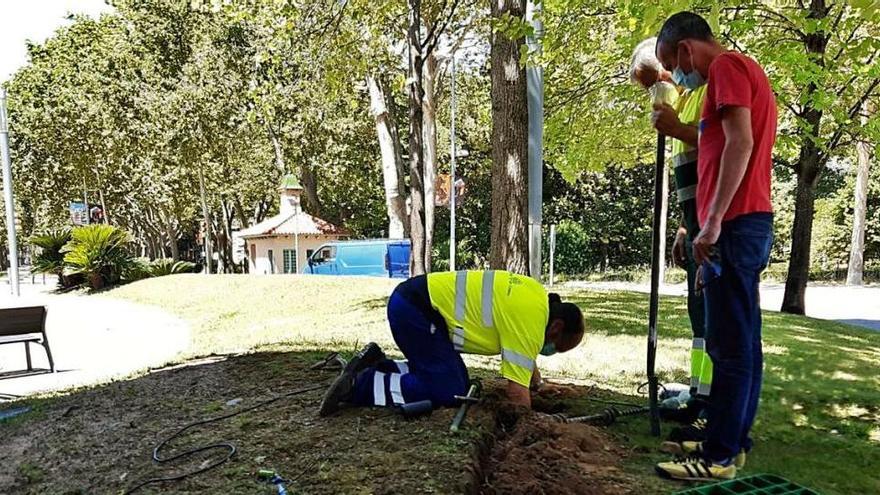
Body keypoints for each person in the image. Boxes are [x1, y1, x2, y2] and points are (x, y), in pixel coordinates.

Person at [652, 12, 776, 481]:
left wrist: (714, 222)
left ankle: (718, 457)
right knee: (743, 340)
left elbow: (740, 144)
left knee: (730, 346)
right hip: (742, 222)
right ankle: (730, 441)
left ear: (686, 49)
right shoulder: (743, 74)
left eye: (674, 64)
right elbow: (715, 141)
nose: (682, 76)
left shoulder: (726, 68)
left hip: (736, 223)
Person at [319, 270, 585, 416]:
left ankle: (382, 366)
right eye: (557, 347)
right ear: (557, 328)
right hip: (415, 311)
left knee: (460, 382)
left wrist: (538, 385)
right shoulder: (530, 321)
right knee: (446, 391)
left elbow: (523, 358)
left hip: (415, 303)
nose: (550, 351)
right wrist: (535, 424)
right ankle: (359, 385)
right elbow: (517, 396)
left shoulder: (536, 300)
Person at [629, 38, 713, 439]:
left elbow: (720, 148)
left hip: (715, 229)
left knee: (714, 319)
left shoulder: (704, 96)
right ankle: (700, 394)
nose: (655, 93)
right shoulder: (687, 104)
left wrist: (676, 126)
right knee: (699, 319)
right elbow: (695, 175)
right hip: (696, 225)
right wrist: (684, 224)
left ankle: (713, 404)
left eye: (656, 82)